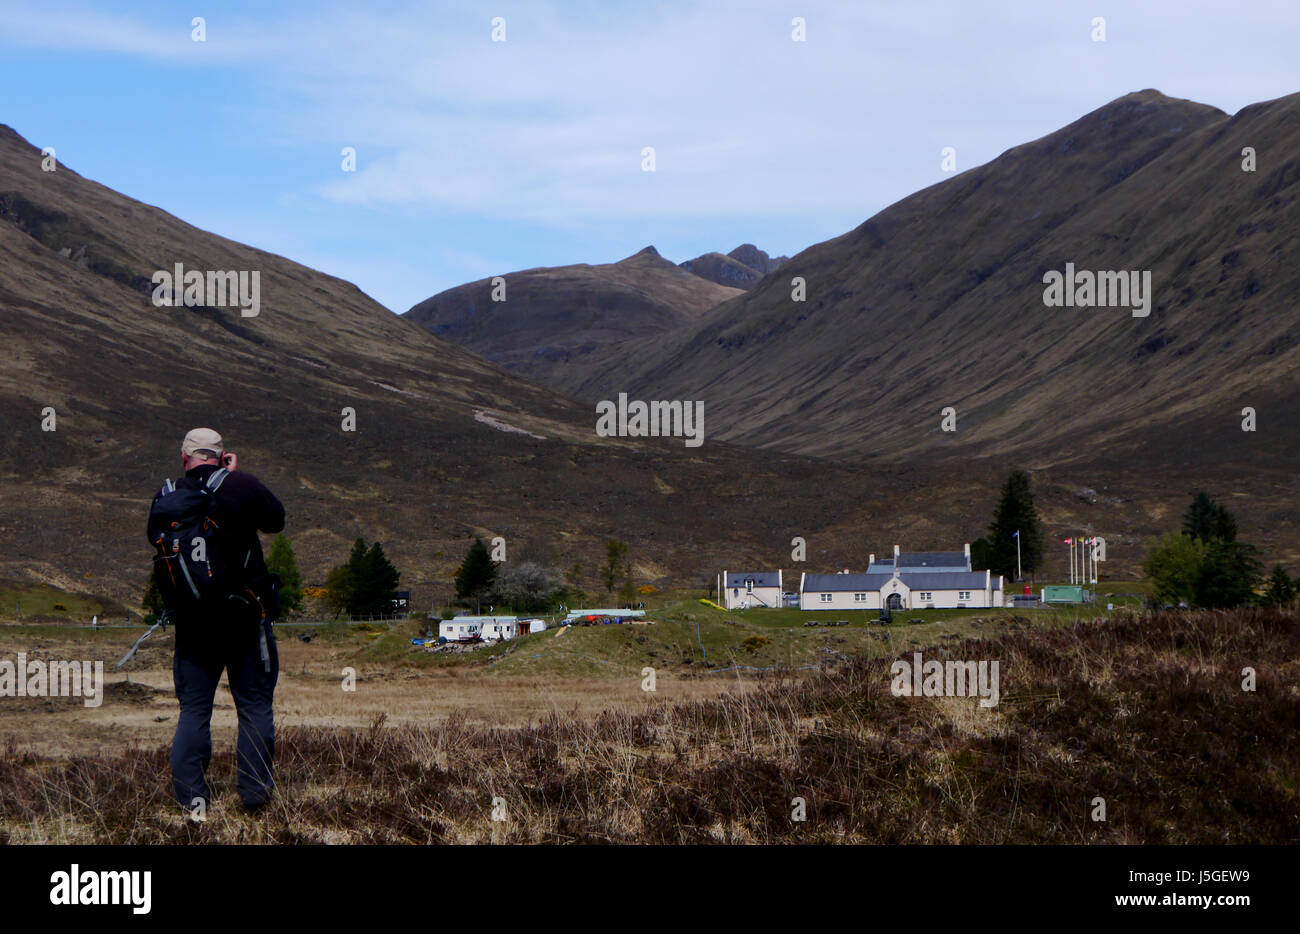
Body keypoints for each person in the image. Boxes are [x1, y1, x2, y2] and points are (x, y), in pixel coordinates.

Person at [148, 428, 285, 812]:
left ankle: (193, 800)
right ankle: (255, 796)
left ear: (184, 458)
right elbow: (276, 520)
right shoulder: (239, 485)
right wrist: (236, 476)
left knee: (194, 710)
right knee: (254, 706)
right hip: (244, 617)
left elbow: (153, 538)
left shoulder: (167, 496)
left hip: (193, 623)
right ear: (222, 455)